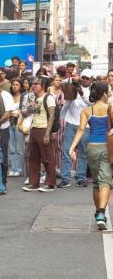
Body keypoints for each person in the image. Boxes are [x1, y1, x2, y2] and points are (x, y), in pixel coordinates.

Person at [69, 83, 112, 230]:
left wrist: (72, 147)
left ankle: (98, 213)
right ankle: (101, 213)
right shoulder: (110, 108)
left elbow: (81, 130)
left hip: (92, 147)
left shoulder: (87, 110)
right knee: (106, 180)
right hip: (107, 147)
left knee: (96, 183)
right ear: (104, 94)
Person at [22, 77, 57, 192]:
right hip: (34, 128)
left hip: (43, 129)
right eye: (33, 83)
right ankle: (34, 183)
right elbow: (27, 114)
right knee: (33, 158)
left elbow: (52, 116)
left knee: (47, 158)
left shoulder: (49, 97)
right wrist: (29, 108)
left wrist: (48, 133)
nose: (34, 85)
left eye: (37, 84)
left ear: (43, 86)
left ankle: (50, 183)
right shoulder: (36, 98)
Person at [59, 70, 93, 188]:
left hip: (85, 126)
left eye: (87, 78)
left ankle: (81, 177)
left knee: (83, 153)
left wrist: (81, 92)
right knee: (66, 150)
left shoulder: (93, 90)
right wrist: (73, 79)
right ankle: (65, 178)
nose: (84, 80)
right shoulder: (73, 85)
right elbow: (61, 81)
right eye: (83, 77)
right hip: (71, 123)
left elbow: (90, 103)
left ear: (91, 79)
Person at [8, 78, 25, 177]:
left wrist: (19, 112)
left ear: (20, 86)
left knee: (19, 148)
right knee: (11, 148)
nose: (14, 86)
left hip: (20, 123)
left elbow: (29, 109)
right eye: (13, 84)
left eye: (17, 85)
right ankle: (12, 168)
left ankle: (19, 168)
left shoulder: (24, 97)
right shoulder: (9, 96)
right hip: (10, 123)